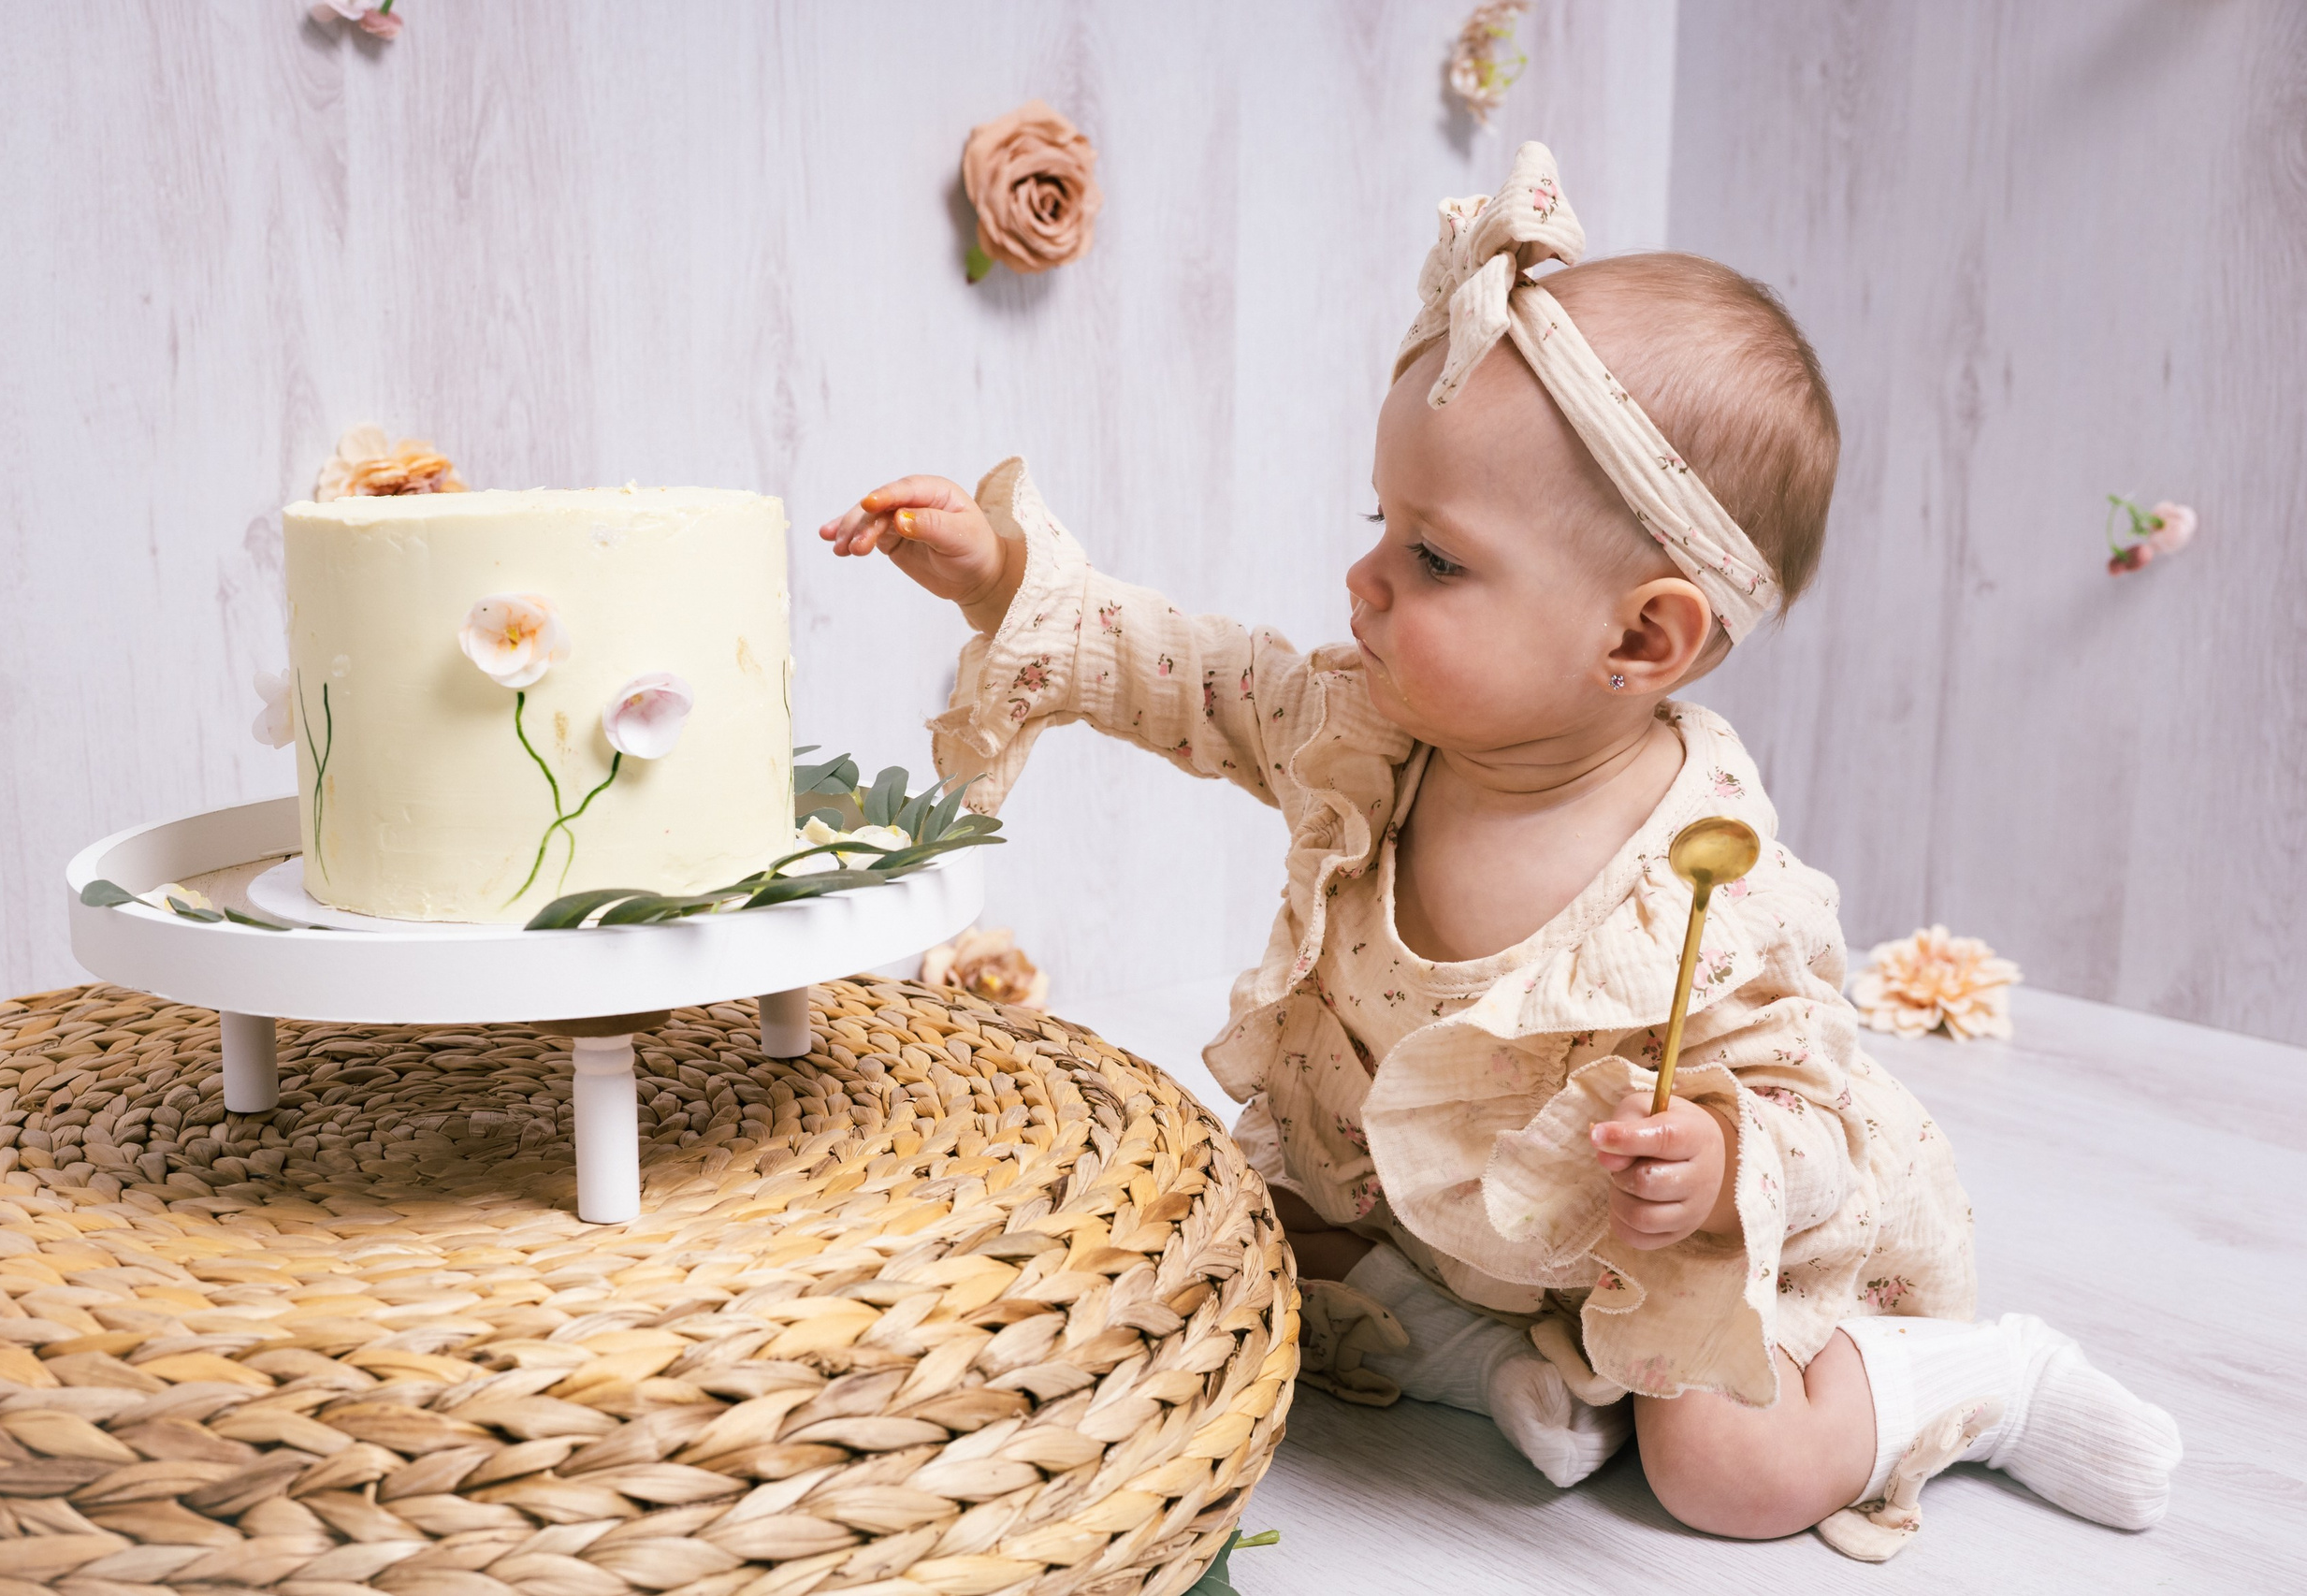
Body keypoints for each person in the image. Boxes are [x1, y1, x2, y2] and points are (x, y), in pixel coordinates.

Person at [818, 144, 2179, 1560]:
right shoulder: (1370, 730)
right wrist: (1008, 578)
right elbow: (1193, 677)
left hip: (1654, 1238)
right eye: (1382, 523)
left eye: (1436, 557)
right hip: (1436, 1212)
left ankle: (1977, 1383)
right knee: (1228, 1240)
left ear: (1642, 636)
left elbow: (1812, 1104)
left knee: (1724, 1469)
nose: (1364, 578)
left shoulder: (1706, 880)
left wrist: (1719, 1161)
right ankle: (1499, 1362)